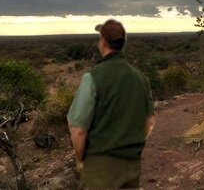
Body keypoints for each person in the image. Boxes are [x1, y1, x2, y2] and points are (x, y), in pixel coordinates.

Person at [66, 19, 155, 189]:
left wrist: (80, 160)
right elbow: (149, 123)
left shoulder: (92, 78)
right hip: (131, 165)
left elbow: (78, 129)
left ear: (104, 43)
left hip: (100, 168)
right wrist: (131, 145)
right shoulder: (140, 79)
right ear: (122, 44)